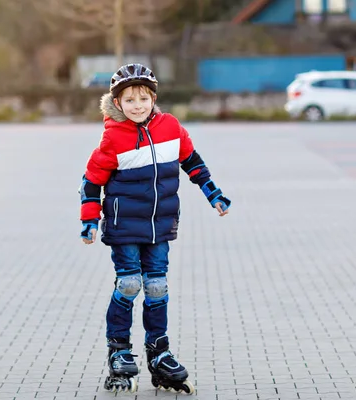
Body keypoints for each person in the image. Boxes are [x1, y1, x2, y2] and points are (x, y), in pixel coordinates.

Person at [79, 63, 231, 393]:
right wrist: (89, 220)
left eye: (144, 98)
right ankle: (118, 351)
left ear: (153, 99)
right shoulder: (112, 138)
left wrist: (213, 194)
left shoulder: (170, 127)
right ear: (117, 103)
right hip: (124, 227)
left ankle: (159, 353)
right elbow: (91, 181)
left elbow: (193, 162)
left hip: (160, 227)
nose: (138, 105)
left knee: (158, 287)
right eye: (130, 100)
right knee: (131, 283)